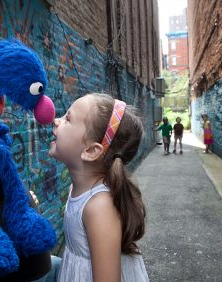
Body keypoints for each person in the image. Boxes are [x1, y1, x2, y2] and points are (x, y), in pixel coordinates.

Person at [49, 93, 148, 282]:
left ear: (91, 151)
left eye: (68, 119)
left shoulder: (99, 207)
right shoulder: (79, 189)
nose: (56, 120)